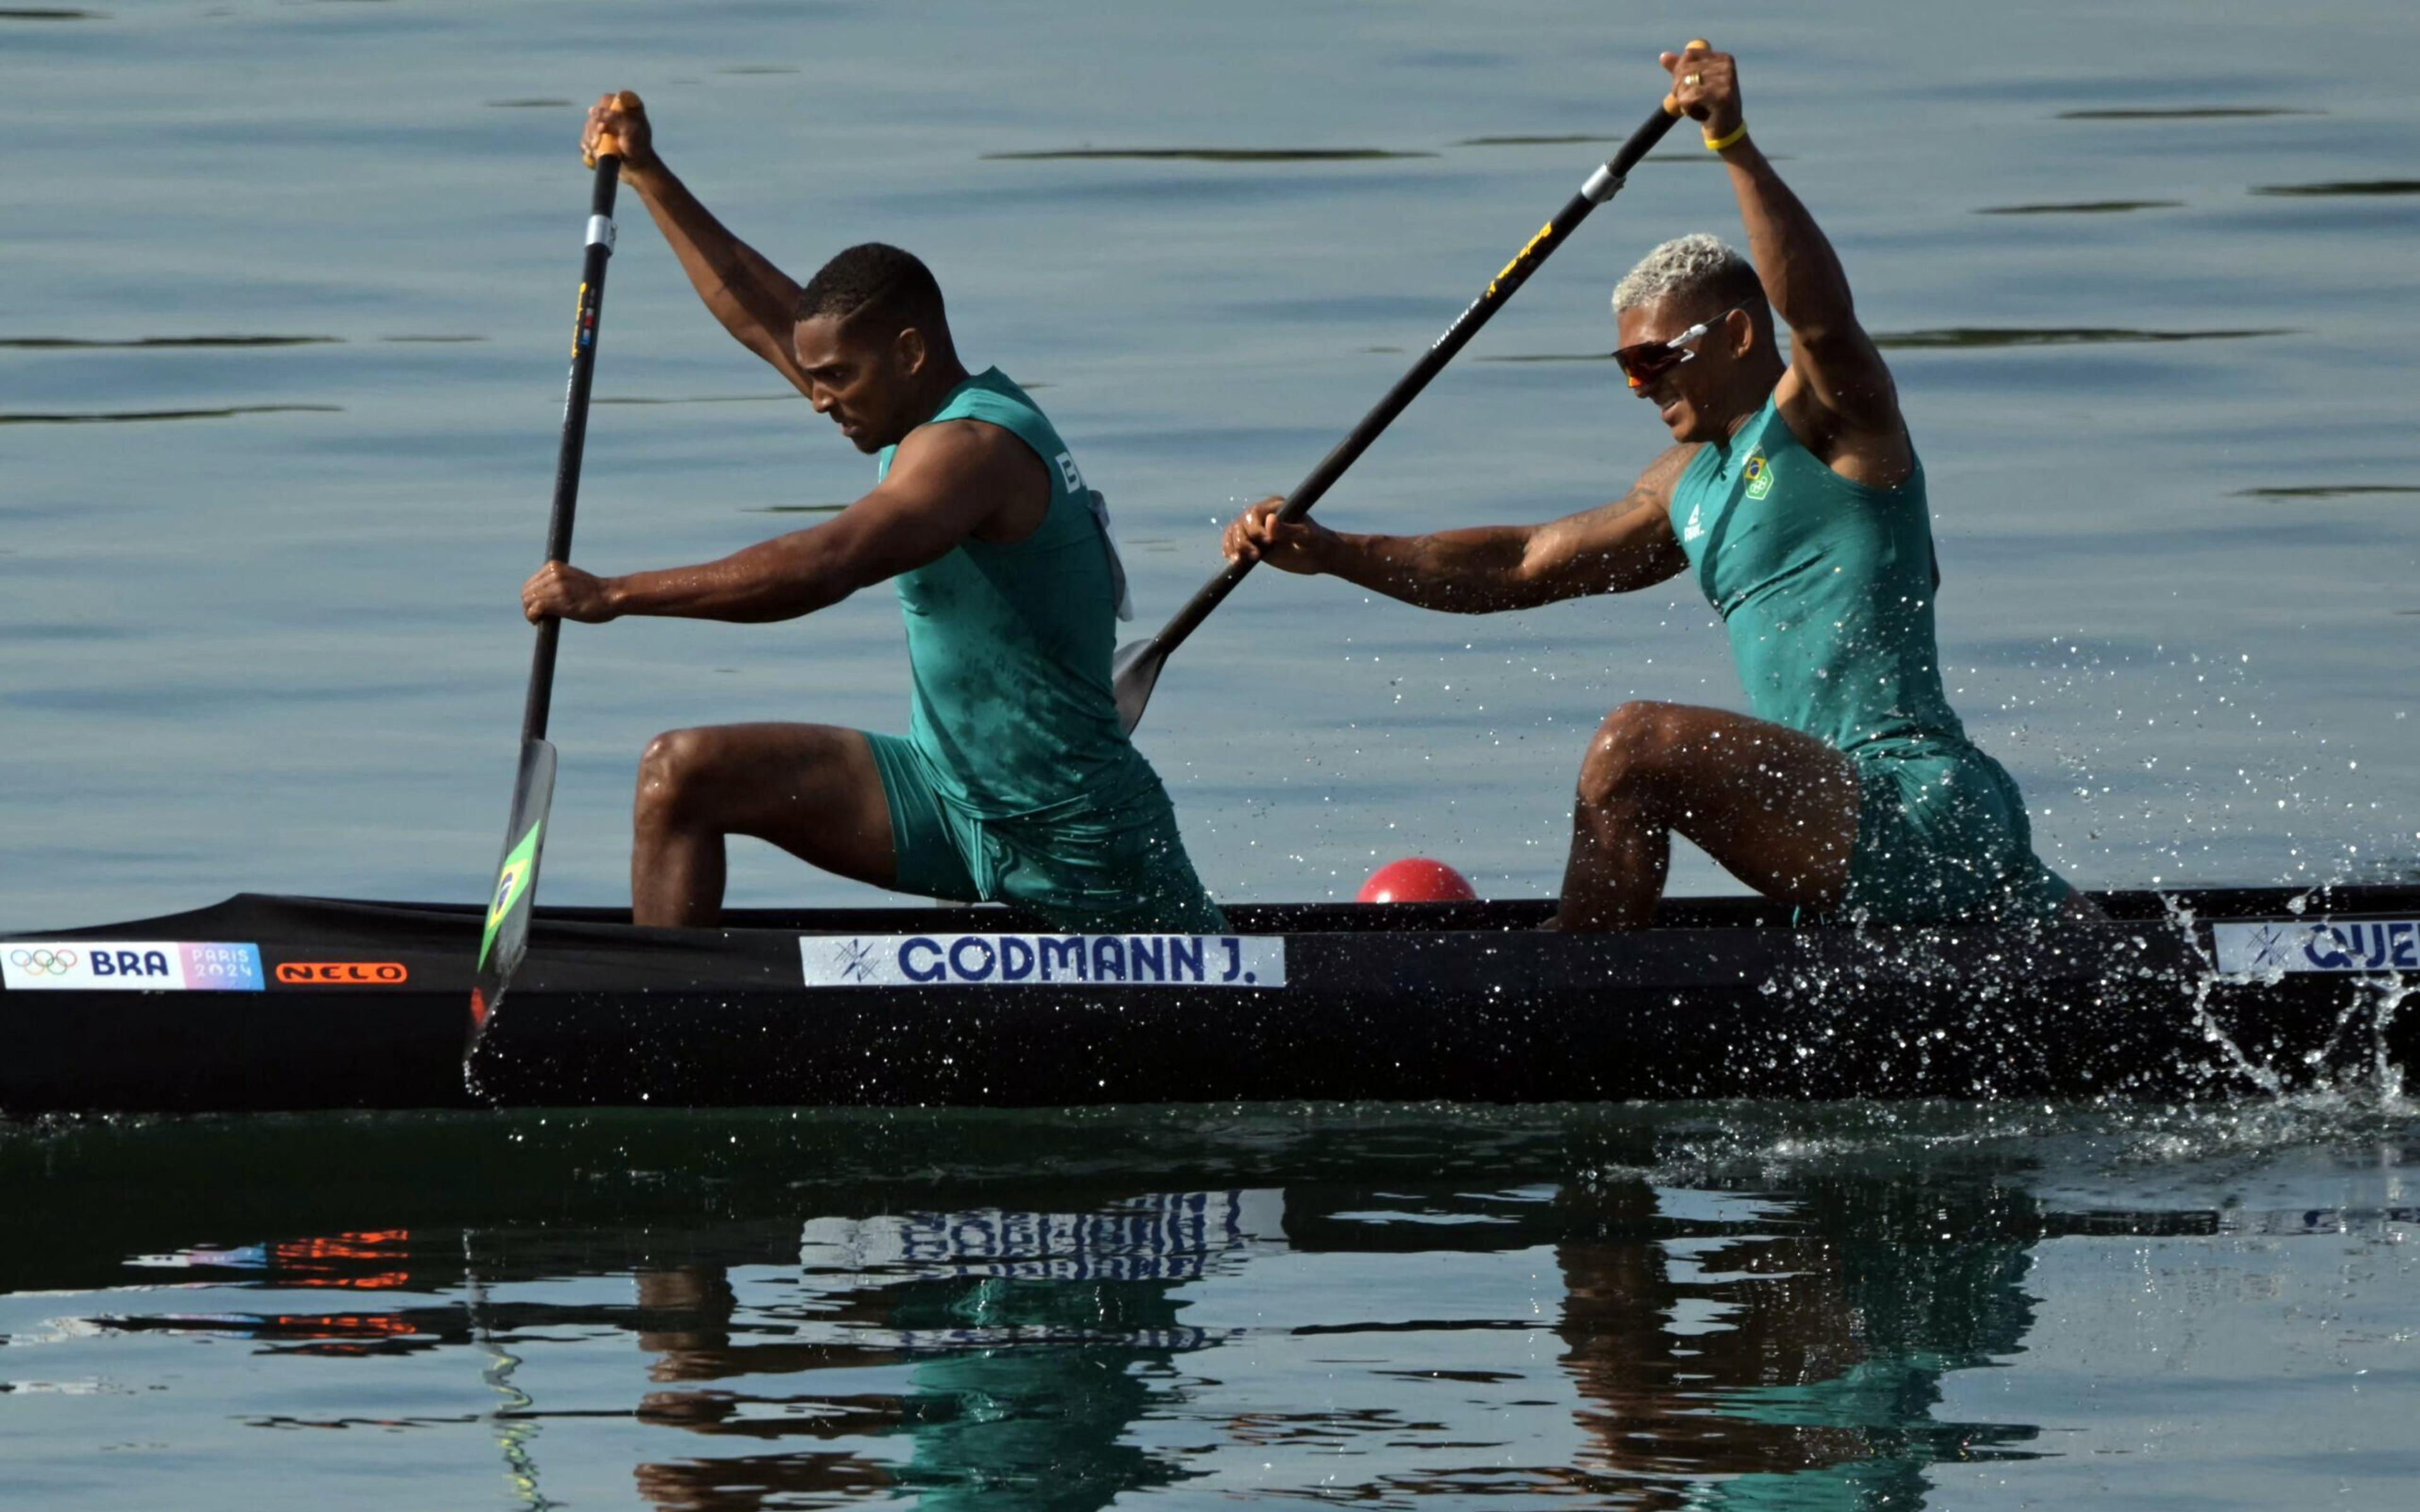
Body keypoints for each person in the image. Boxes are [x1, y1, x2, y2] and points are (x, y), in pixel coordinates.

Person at [1222, 45, 2080, 931]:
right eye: (1625, 366)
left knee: (1635, 747)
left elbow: (1820, 317)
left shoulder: (1833, 419)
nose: (1641, 385)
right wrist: (1334, 553)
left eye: (1654, 359)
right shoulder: (1684, 487)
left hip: (1918, 803)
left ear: (1739, 336)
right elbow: (1521, 566)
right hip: (1837, 817)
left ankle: (1560, 997)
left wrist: (1735, 144)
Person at [522, 92, 1222, 933]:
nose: (817, 401)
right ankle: (662, 1031)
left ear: (911, 353)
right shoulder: (896, 407)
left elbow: (829, 563)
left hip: (1081, 839)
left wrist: (616, 595)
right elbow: (754, 307)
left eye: (836, 380)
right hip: (944, 798)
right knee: (683, 773)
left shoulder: (974, 450)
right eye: (813, 378)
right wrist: (646, 174)